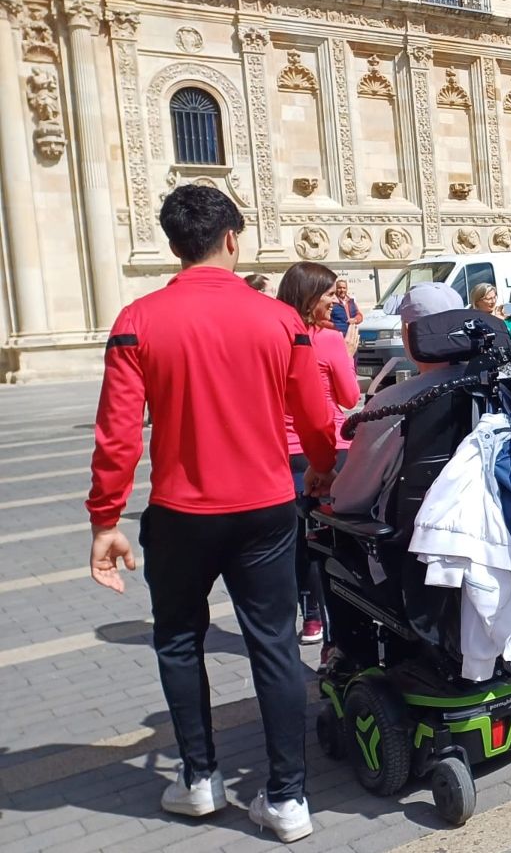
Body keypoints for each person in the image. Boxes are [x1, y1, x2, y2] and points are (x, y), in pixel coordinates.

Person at [86, 184, 337, 843]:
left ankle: (199, 781)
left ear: (173, 245)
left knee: (176, 639)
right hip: (265, 509)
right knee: (275, 648)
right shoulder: (280, 321)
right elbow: (315, 420)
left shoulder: (136, 321)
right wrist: (325, 471)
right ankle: (286, 799)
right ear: (232, 238)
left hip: (179, 513)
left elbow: (117, 436)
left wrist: (105, 519)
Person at [275, 261, 359, 646]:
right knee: (332, 539)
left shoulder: (273, 337)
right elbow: (349, 397)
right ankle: (337, 626)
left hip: (283, 451)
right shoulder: (326, 340)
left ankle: (310, 618)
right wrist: (349, 354)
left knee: (296, 541)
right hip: (327, 449)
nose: (334, 300)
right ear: (310, 297)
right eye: (327, 293)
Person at [330, 282, 466, 519]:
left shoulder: (390, 403)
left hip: (411, 539)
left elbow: (348, 499)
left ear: (406, 331)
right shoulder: (494, 384)